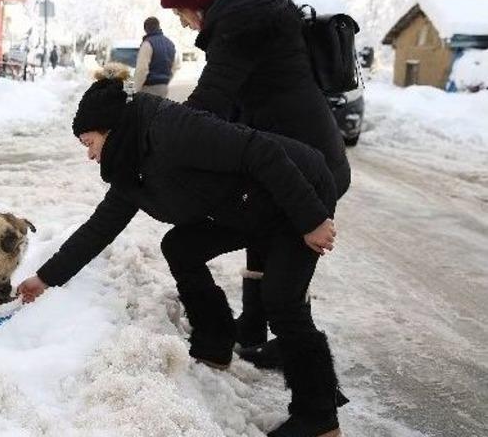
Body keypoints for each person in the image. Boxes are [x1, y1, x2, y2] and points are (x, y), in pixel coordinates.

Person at [18, 66, 347, 437]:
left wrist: (311, 219)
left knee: (282, 302)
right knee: (180, 246)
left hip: (298, 190)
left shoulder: (171, 130)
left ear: (109, 130)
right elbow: (99, 230)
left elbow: (261, 151)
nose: (90, 155)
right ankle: (214, 341)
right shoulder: (131, 166)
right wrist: (44, 278)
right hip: (247, 207)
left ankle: (319, 419)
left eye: (89, 143)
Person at [159, 0, 352, 371]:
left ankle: (316, 398)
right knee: (267, 245)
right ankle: (254, 333)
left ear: (196, 6)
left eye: (179, 13)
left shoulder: (240, 27)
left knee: (285, 285)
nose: (183, 23)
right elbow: (232, 106)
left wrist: (156, 130)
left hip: (307, 169)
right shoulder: (248, 17)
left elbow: (208, 104)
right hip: (299, 158)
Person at [133, 17, 180, 98]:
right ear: (158, 26)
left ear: (145, 29)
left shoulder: (148, 43)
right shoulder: (170, 43)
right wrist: (166, 80)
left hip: (148, 88)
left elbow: (142, 69)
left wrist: (135, 89)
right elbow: (175, 66)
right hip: (163, 87)